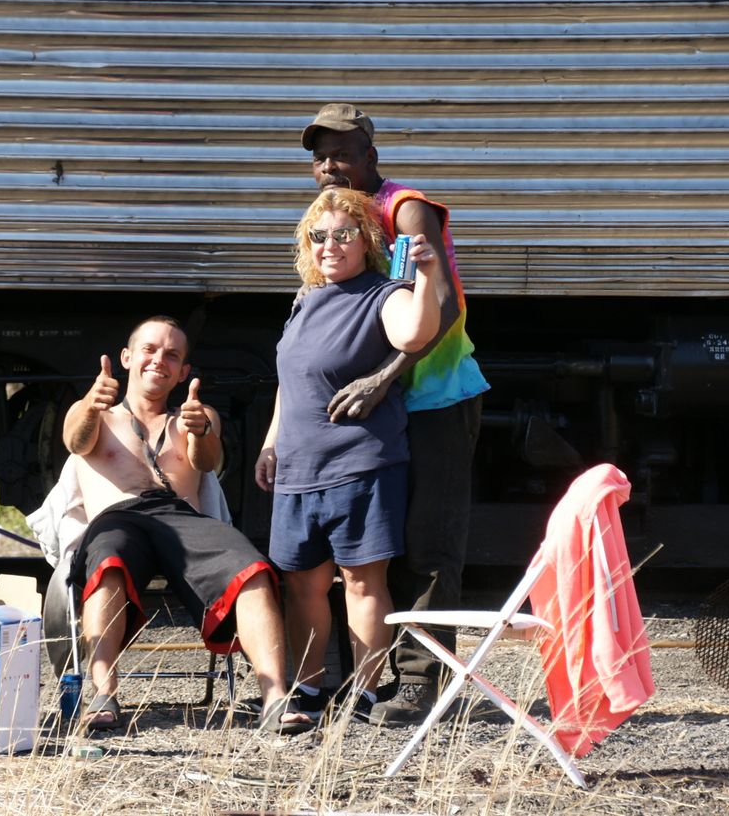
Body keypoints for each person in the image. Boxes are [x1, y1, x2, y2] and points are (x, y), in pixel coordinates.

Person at [298, 104, 489, 725]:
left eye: (343, 153)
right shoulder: (337, 222)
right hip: (385, 407)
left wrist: (383, 378)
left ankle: (423, 687)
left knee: (428, 541)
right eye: (321, 156)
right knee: (374, 542)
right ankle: (358, 679)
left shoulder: (402, 209)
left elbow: (443, 302)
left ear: (371, 157)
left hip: (432, 397)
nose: (330, 166)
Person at [64, 316, 314, 735]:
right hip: (119, 518)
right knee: (108, 560)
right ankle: (103, 694)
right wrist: (91, 404)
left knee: (252, 569)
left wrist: (198, 432)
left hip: (181, 518)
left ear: (183, 373)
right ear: (127, 358)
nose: (158, 360)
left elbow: (206, 462)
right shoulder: (95, 412)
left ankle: (275, 698)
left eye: (172, 355)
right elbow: (76, 441)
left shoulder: (197, 415)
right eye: (149, 349)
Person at [255, 188, 442, 722]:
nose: (330, 246)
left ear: (367, 241)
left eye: (343, 234)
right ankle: (309, 690)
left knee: (363, 581)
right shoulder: (304, 299)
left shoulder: (384, 294)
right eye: (319, 236)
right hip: (297, 467)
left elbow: (414, 332)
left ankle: (362, 693)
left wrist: (426, 276)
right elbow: (288, 383)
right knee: (302, 582)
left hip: (361, 465)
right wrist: (270, 443)